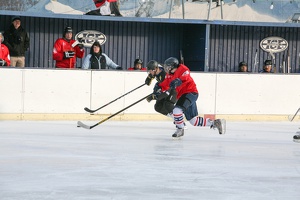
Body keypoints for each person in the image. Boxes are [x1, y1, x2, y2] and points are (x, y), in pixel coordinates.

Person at [154, 57, 226, 138]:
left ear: (173, 66)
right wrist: (159, 87)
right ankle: (216, 123)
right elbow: (165, 84)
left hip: (190, 93)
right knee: (193, 121)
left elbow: (185, 77)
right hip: (183, 96)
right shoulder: (169, 75)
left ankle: (180, 129)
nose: (166, 69)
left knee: (176, 110)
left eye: (168, 67)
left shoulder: (183, 69)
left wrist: (179, 81)